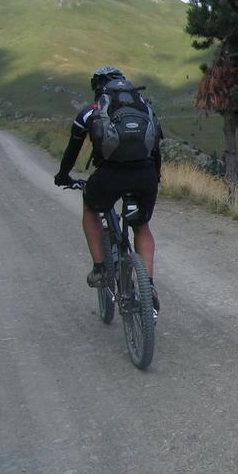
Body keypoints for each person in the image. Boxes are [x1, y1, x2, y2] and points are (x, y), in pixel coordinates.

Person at [54, 66, 164, 316]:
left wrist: (63, 176)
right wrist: (154, 178)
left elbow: (72, 150)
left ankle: (101, 268)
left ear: (98, 87)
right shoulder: (144, 107)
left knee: (91, 208)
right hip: (145, 175)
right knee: (141, 226)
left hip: (109, 176)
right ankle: (148, 287)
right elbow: (155, 147)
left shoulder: (92, 111)